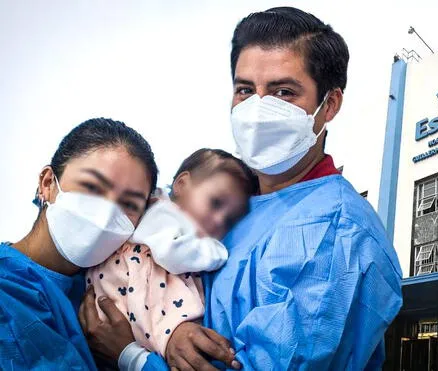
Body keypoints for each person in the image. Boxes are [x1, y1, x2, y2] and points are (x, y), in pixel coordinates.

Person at [81, 6, 403, 371]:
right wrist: (172, 334)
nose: (259, 108)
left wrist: (131, 355)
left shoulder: (337, 233)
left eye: (284, 92)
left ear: (328, 105)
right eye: (245, 90)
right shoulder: (231, 205)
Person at [0, 118, 159, 370]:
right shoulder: (7, 294)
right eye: (92, 187)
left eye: (129, 205)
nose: (106, 215)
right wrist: (133, 358)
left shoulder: (120, 286)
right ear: (48, 183)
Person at [86, 149, 257, 359]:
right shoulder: (162, 213)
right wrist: (217, 252)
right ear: (182, 184)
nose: (219, 221)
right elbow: (172, 254)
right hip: (127, 300)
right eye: (215, 203)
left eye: (229, 220)